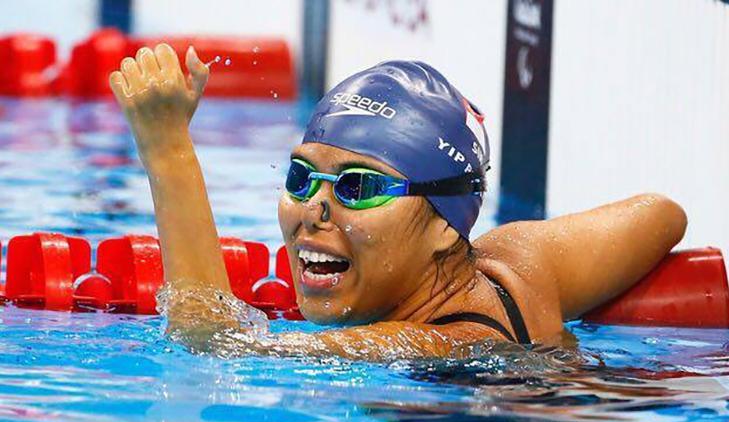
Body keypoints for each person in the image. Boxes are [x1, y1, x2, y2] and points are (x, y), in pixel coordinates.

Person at [109, 44, 687, 361]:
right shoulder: (516, 265)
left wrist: (168, 154)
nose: (314, 208)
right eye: (302, 176)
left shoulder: (429, 342)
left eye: (359, 185)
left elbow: (216, 347)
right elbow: (663, 215)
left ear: (444, 225)